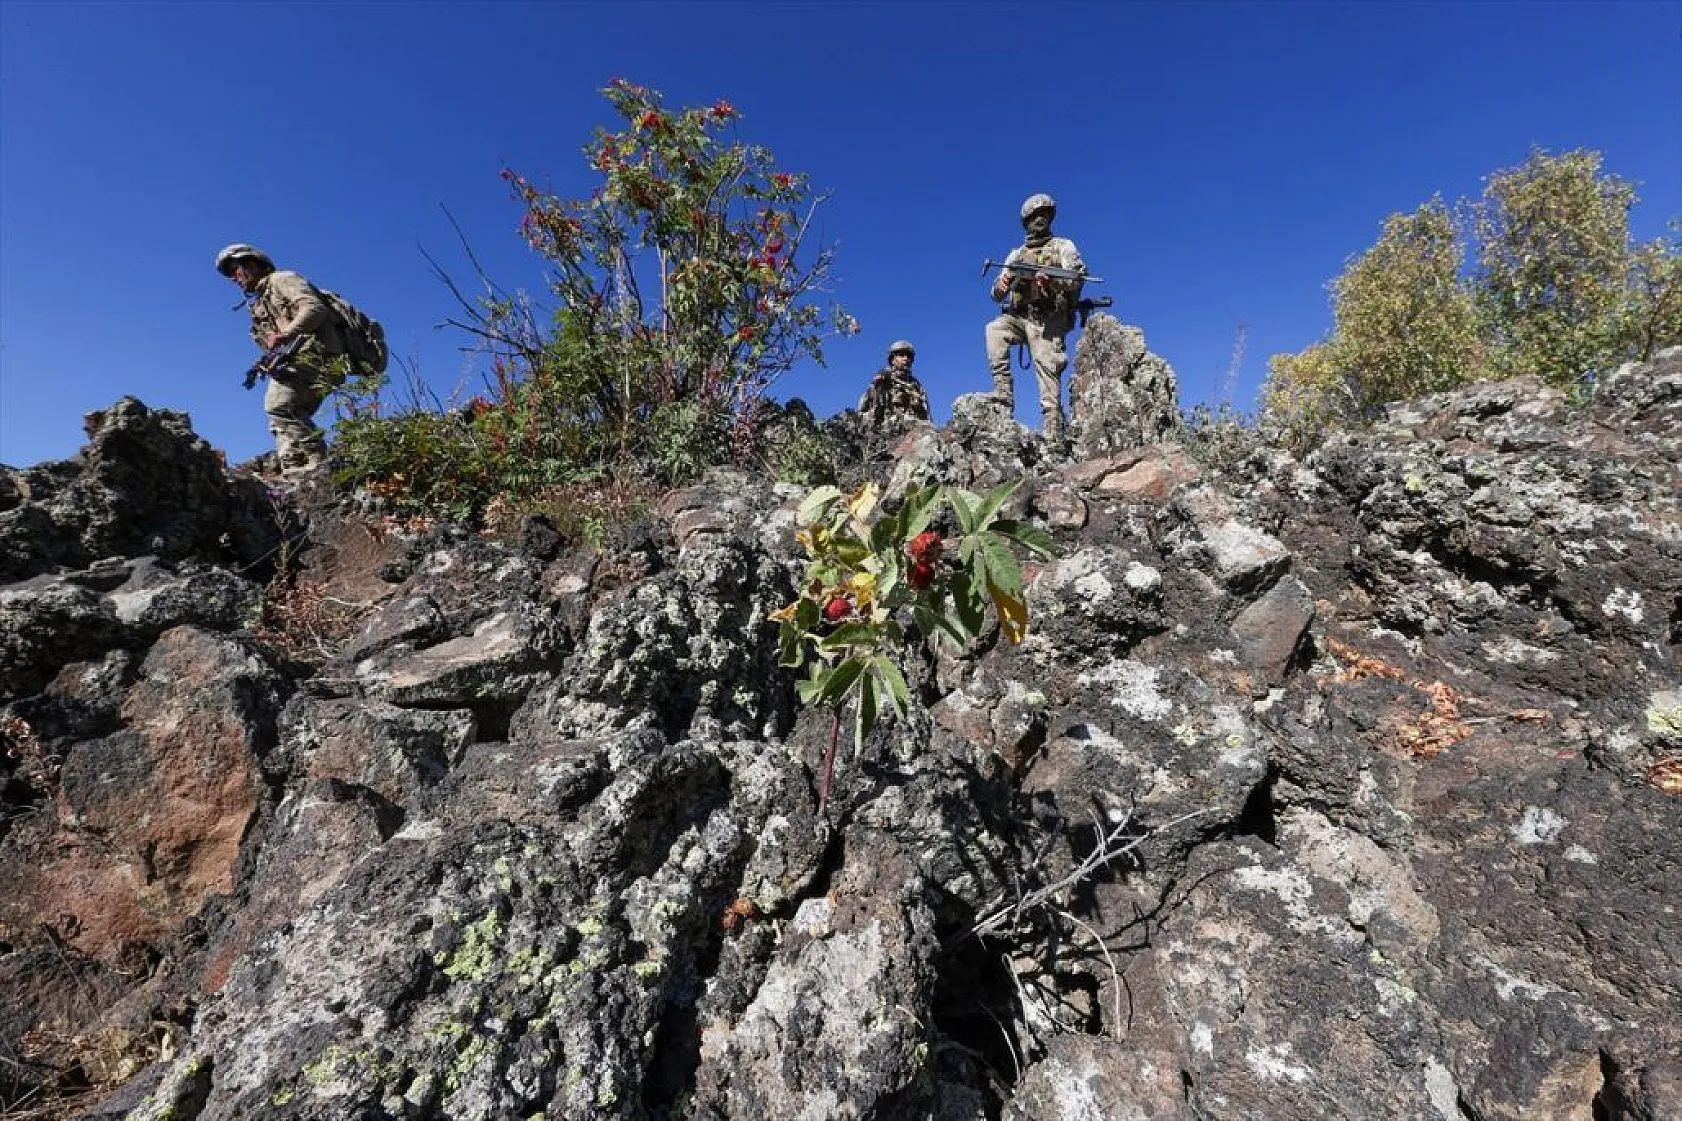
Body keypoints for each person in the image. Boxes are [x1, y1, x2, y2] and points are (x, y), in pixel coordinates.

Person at [215, 243, 349, 478]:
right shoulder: (260, 303)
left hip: (319, 355)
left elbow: (314, 308)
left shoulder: (282, 280)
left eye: (235, 270)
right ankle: (296, 471)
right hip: (303, 360)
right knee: (281, 421)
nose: (234, 279)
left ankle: (319, 461)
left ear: (252, 264)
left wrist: (287, 333)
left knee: (278, 406)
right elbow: (275, 343)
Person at [984, 193, 1086, 445]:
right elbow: (995, 294)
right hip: (1020, 317)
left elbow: (1077, 279)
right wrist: (1002, 284)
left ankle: (1052, 430)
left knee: (1047, 368)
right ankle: (1003, 394)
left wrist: (1052, 281)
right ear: (1025, 222)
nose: (1039, 220)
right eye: (1033, 216)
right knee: (994, 330)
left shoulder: (1063, 246)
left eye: (1044, 214)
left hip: (1048, 321)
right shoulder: (1016, 255)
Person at [857, 339, 931, 430]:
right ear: (892, 359)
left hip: (914, 429)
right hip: (887, 429)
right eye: (901, 355)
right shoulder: (883, 380)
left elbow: (927, 416)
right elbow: (863, 409)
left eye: (909, 356)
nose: (906, 359)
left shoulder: (917, 386)